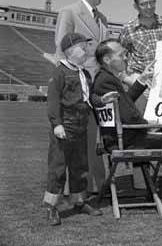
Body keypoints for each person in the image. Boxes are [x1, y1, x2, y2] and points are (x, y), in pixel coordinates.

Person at [92, 38, 162, 212]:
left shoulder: (104, 78)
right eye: (122, 55)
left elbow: (125, 103)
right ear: (107, 60)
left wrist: (141, 80)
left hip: (119, 138)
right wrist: (149, 125)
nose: (126, 58)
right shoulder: (107, 81)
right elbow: (129, 116)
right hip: (127, 141)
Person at [43, 32, 117, 226]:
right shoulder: (60, 72)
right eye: (82, 47)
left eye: (87, 46)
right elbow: (52, 101)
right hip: (65, 127)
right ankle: (51, 207)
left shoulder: (84, 73)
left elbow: (89, 98)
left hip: (81, 127)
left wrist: (102, 100)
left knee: (80, 166)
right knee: (58, 168)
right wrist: (57, 124)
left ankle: (79, 201)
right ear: (69, 51)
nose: (86, 50)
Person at [54, 0, 110, 194]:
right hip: (76, 87)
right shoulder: (69, 12)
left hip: (98, 85)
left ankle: (94, 185)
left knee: (93, 138)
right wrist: (68, 86)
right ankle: (74, 188)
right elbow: (60, 49)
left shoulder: (103, 18)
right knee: (74, 140)